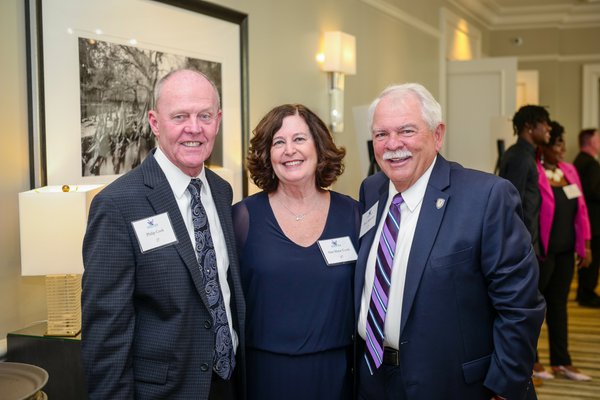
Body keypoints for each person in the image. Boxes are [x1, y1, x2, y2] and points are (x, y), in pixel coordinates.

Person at [355, 83, 545, 400]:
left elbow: (520, 307)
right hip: (372, 379)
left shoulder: (486, 197)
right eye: (381, 134)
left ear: (438, 134)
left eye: (406, 131)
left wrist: (503, 387)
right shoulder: (371, 190)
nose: (393, 144)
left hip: (453, 386)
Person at [82, 69, 245, 400]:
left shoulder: (222, 191)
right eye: (180, 116)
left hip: (228, 384)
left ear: (218, 120)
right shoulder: (116, 205)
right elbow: (106, 335)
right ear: (155, 123)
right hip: (164, 391)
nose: (194, 128)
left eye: (205, 116)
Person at [232, 104, 360, 400]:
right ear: (268, 154)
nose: (290, 150)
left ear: (319, 146)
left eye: (299, 139)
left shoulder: (353, 214)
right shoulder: (241, 218)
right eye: (278, 142)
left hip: (335, 374)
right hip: (264, 374)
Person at [533, 121, 592, 381]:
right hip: (543, 253)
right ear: (544, 147)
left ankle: (562, 361)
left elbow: (581, 210)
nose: (563, 149)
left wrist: (586, 244)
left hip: (567, 252)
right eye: (558, 144)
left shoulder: (568, 171)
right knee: (534, 308)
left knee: (559, 307)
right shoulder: (534, 172)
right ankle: (531, 360)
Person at [499, 105, 552, 258]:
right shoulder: (520, 157)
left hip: (528, 243)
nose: (548, 127)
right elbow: (512, 206)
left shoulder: (525, 154)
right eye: (544, 122)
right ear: (529, 125)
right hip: (522, 247)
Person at [573, 128, 600, 308]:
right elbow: (595, 191)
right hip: (594, 219)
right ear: (590, 142)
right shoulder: (590, 164)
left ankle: (584, 292)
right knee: (593, 258)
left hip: (588, 218)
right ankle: (586, 294)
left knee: (589, 258)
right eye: (598, 139)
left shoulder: (579, 160)